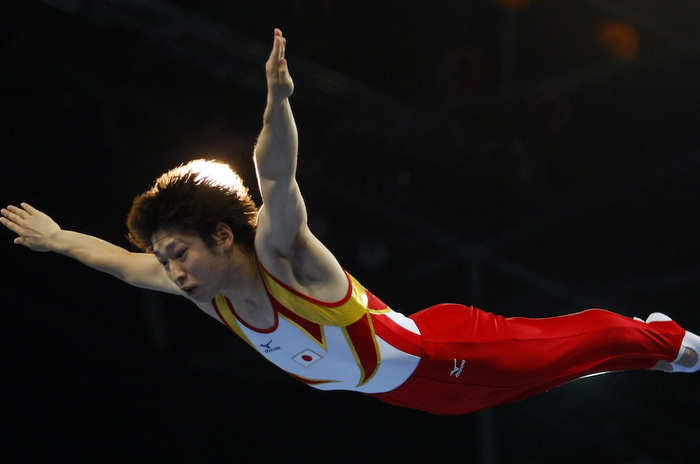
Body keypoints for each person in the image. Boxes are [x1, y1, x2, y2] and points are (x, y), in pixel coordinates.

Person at [2, 28, 698, 416]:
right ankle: (645, 350)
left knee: (582, 340)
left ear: (222, 235)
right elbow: (118, 266)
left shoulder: (283, 253)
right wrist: (58, 238)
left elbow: (275, 174)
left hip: (446, 350)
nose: (171, 269)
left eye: (178, 251)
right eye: (165, 258)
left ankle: (674, 339)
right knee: (570, 371)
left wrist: (278, 96)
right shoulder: (208, 296)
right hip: (425, 395)